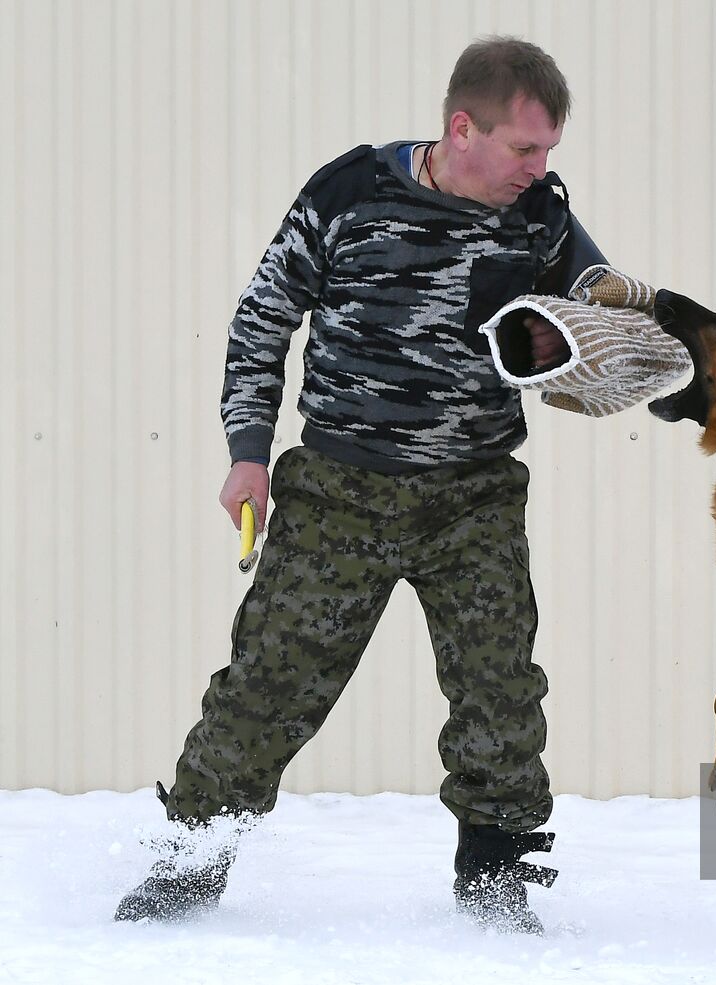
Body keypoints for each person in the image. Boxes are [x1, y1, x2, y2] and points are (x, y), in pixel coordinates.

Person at [114, 36, 605, 934]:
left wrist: (616, 346)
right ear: (463, 128)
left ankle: (494, 871)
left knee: (500, 688)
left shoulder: (539, 214)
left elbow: (603, 313)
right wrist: (248, 450)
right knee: (269, 682)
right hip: (344, 490)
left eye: (549, 152)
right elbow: (264, 318)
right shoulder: (349, 194)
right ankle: (189, 855)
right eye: (524, 149)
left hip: (475, 497)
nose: (539, 170)